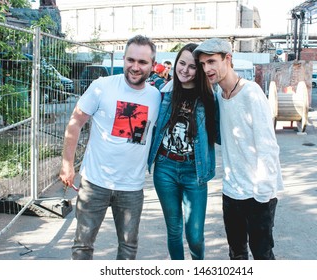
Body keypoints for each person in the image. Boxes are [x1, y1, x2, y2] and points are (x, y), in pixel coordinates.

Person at [59, 35, 161, 260]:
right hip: (95, 183)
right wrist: (67, 165)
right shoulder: (101, 86)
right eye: (131, 60)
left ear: (153, 66)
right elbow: (75, 123)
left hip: (131, 187)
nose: (135, 67)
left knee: (128, 247)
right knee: (82, 246)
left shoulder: (156, 96)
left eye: (142, 62)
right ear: (124, 59)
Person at [193, 38, 284, 260]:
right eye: (203, 64)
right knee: (237, 254)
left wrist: (262, 194)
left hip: (257, 193)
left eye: (212, 62)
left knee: (262, 255)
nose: (207, 69)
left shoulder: (251, 93)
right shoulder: (219, 98)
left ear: (228, 59)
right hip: (232, 191)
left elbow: (268, 146)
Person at [147, 43, 218, 260]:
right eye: (182, 63)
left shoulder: (209, 98)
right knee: (175, 230)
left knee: (195, 235)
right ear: (176, 63)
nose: (185, 70)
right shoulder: (163, 94)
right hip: (165, 168)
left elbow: (221, 133)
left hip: (194, 170)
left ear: (200, 70)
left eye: (192, 66)